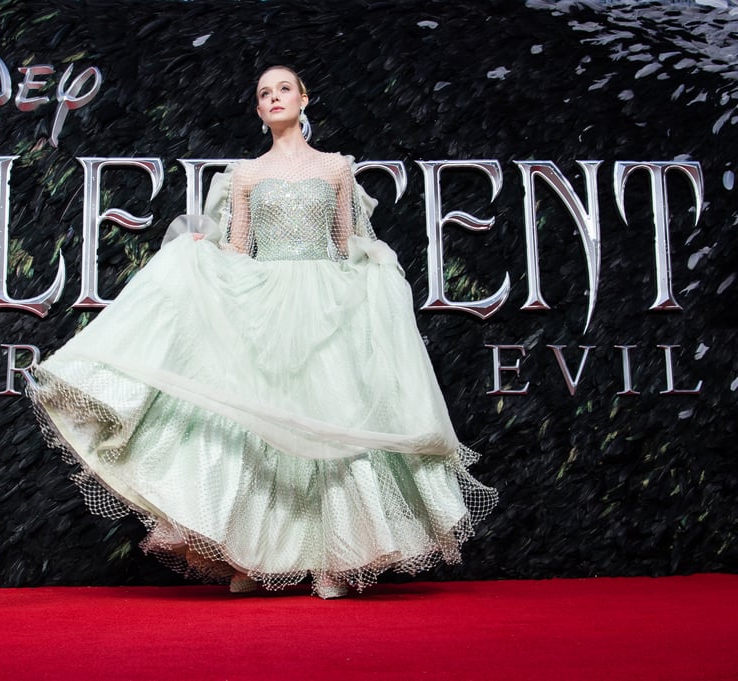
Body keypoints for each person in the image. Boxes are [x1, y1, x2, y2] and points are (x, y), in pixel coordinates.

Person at [29, 66, 496, 599]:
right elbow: (236, 249)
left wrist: (370, 285)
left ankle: (336, 560)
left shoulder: (337, 169)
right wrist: (200, 257)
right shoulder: (244, 175)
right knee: (256, 425)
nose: (274, 98)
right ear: (258, 110)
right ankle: (253, 558)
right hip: (264, 301)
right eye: (264, 94)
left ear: (304, 98)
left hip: (327, 304)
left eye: (283, 90)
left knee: (329, 420)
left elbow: (348, 244)